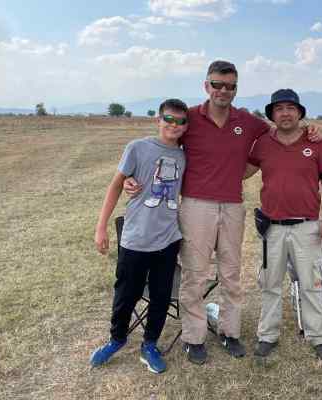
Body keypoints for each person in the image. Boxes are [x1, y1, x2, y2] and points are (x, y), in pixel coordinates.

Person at [123, 61, 322, 365]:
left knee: (231, 273)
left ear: (235, 89)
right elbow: (162, 144)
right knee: (195, 274)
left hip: (232, 206)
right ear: (206, 86)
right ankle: (194, 338)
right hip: (195, 206)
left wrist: (310, 129)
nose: (223, 91)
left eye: (230, 86)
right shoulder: (189, 117)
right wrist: (132, 177)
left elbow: (281, 131)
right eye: (217, 84)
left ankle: (231, 333)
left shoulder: (248, 121)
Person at [89, 99, 188, 374]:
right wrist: (101, 227)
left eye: (180, 121)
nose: (173, 125)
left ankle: (150, 344)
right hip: (135, 239)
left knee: (160, 296)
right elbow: (116, 186)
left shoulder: (184, 155)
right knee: (126, 295)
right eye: (168, 119)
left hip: (168, 240)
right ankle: (117, 339)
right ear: (158, 120)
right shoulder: (137, 148)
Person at [244, 89, 322, 360]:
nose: (285, 113)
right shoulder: (261, 143)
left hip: (307, 226)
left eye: (290, 108)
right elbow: (243, 172)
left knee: (312, 283)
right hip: (271, 228)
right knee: (270, 283)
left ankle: (319, 338)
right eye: (279, 108)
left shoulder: (317, 142)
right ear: (272, 114)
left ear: (299, 113)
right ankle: (267, 336)